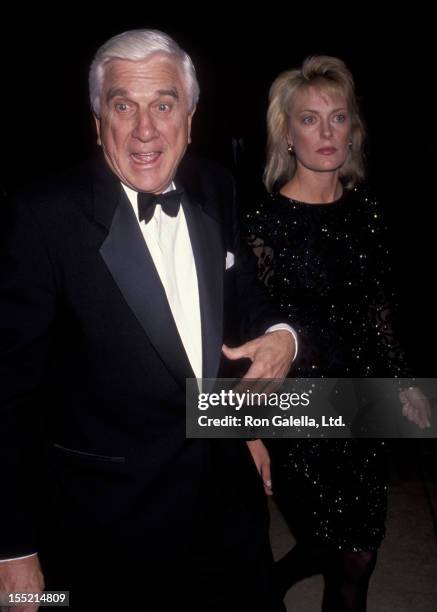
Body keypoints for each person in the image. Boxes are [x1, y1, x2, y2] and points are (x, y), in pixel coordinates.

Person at [0, 29, 296, 612]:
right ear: (97, 119)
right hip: (105, 524)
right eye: (123, 106)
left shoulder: (216, 186)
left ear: (189, 115)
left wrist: (281, 340)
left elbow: (239, 301)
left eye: (163, 105)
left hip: (227, 502)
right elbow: (7, 396)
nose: (144, 129)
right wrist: (11, 547)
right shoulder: (41, 219)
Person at [244, 55, 431, 611]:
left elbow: (379, 309)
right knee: (342, 549)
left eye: (338, 117)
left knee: (358, 550)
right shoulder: (262, 223)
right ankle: (272, 584)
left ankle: (273, 582)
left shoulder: (369, 212)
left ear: (353, 131)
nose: (326, 132)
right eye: (309, 118)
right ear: (288, 136)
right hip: (299, 411)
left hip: (365, 402)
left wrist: (404, 383)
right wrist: (249, 433)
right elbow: (248, 334)